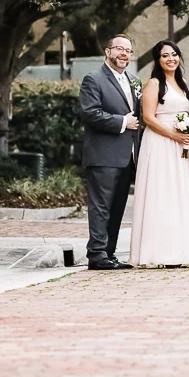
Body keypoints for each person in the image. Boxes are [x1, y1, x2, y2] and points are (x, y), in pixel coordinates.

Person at [129, 40, 189, 267]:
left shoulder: (182, 83)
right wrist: (173, 135)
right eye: (165, 55)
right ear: (158, 60)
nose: (170, 59)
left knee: (184, 193)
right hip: (161, 143)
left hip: (183, 144)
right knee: (163, 192)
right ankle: (161, 252)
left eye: (174, 54)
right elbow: (148, 117)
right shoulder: (154, 83)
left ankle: (186, 249)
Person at [77, 34, 140, 270]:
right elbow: (90, 113)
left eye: (128, 51)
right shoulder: (93, 79)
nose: (124, 54)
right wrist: (122, 121)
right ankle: (96, 254)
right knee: (100, 207)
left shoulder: (134, 80)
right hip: (102, 155)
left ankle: (109, 253)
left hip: (127, 156)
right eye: (119, 49)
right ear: (108, 51)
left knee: (117, 208)